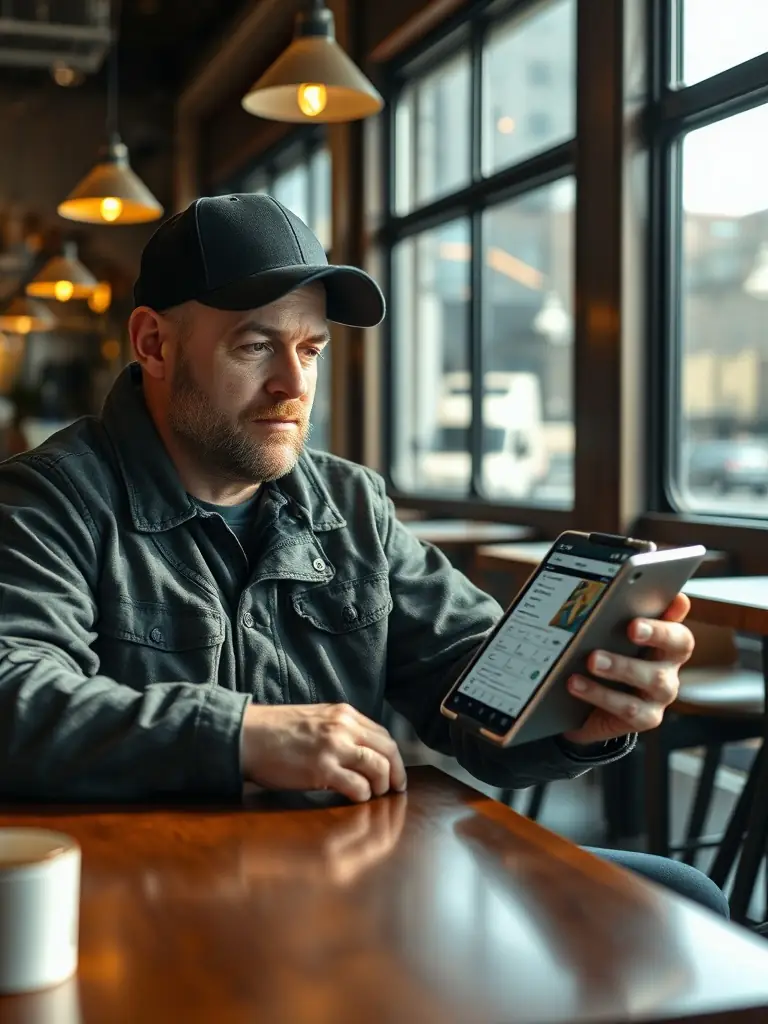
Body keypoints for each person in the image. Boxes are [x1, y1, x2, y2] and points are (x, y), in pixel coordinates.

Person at [0, 194, 727, 918]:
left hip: (339, 887)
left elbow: (466, 684)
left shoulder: (351, 506)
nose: (293, 383)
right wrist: (239, 735)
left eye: (310, 348)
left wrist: (571, 713)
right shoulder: (50, 499)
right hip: (147, 895)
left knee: (681, 896)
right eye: (255, 346)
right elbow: (14, 694)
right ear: (153, 343)